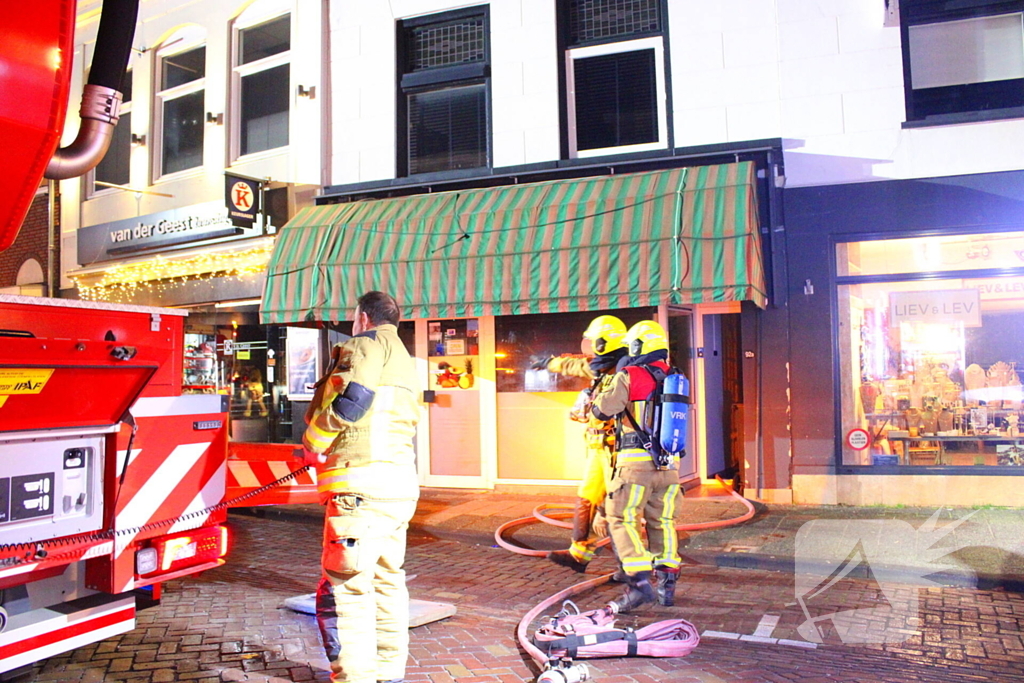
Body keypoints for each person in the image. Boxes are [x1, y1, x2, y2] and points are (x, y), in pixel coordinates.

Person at [302, 291, 421, 683]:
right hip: (397, 490)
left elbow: (354, 398)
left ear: (363, 318)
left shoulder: (365, 344)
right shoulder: (404, 360)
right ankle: (389, 673)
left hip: (359, 490)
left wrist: (314, 443)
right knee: (388, 582)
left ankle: (354, 677)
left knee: (346, 590)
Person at [592, 320, 682, 611]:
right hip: (669, 467)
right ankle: (667, 583)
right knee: (663, 522)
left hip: (635, 466)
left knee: (622, 518)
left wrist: (597, 396)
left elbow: (601, 410)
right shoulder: (675, 377)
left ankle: (639, 582)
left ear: (637, 346)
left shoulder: (629, 375)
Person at [534, 315, 629, 574]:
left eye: (593, 342)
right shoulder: (605, 366)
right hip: (600, 447)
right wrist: (550, 363)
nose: (590, 349)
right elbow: (579, 366)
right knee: (586, 497)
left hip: (615, 450)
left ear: (604, 342)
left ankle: (630, 569)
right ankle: (579, 554)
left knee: (616, 510)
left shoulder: (622, 371)